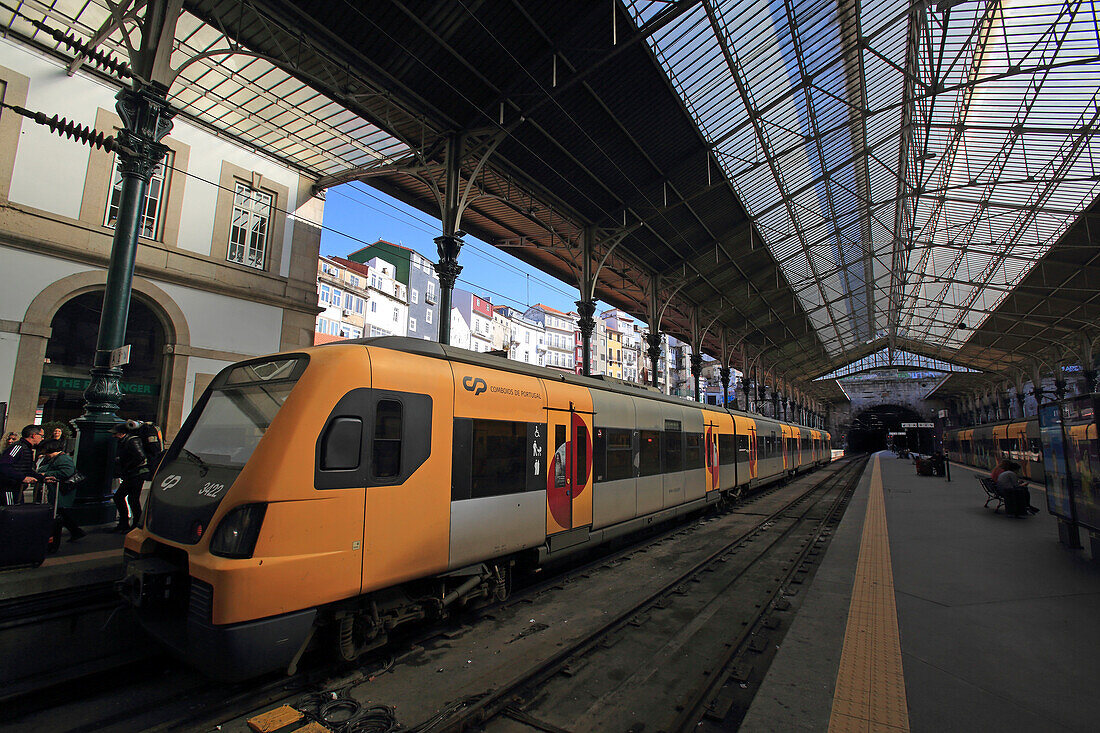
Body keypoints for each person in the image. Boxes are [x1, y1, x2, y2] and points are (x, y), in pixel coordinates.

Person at [36, 439, 86, 542]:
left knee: (59, 512)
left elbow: (67, 472)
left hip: (61, 491)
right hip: (56, 491)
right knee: (61, 513)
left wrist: (46, 474)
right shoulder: (56, 458)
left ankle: (73, 532)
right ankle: (76, 531)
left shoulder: (63, 459)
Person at [112, 422, 149, 532]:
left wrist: (128, 468)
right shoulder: (127, 441)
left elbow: (140, 457)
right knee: (132, 499)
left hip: (135, 474)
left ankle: (132, 524)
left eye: (115, 433)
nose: (114, 436)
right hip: (133, 474)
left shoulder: (132, 441)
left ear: (122, 433)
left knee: (125, 498)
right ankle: (132, 524)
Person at [0, 425, 46, 506]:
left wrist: (42, 478)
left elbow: (26, 469)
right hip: (9, 489)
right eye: (41, 436)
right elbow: (4, 466)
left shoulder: (26, 448)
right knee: (10, 512)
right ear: (34, 435)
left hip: (17, 489)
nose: (42, 438)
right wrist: (23, 478)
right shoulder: (18, 447)